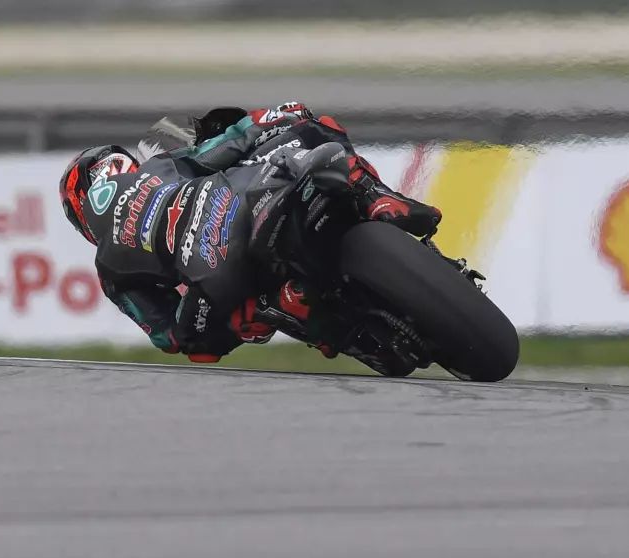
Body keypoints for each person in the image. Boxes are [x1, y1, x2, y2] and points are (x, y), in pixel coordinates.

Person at [59, 102, 441, 363]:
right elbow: (235, 142)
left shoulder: (110, 269)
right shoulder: (162, 166)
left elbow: (169, 337)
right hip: (248, 205)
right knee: (316, 131)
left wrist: (232, 325)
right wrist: (278, 115)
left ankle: (295, 311)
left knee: (231, 322)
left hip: (216, 276)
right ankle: (378, 198)